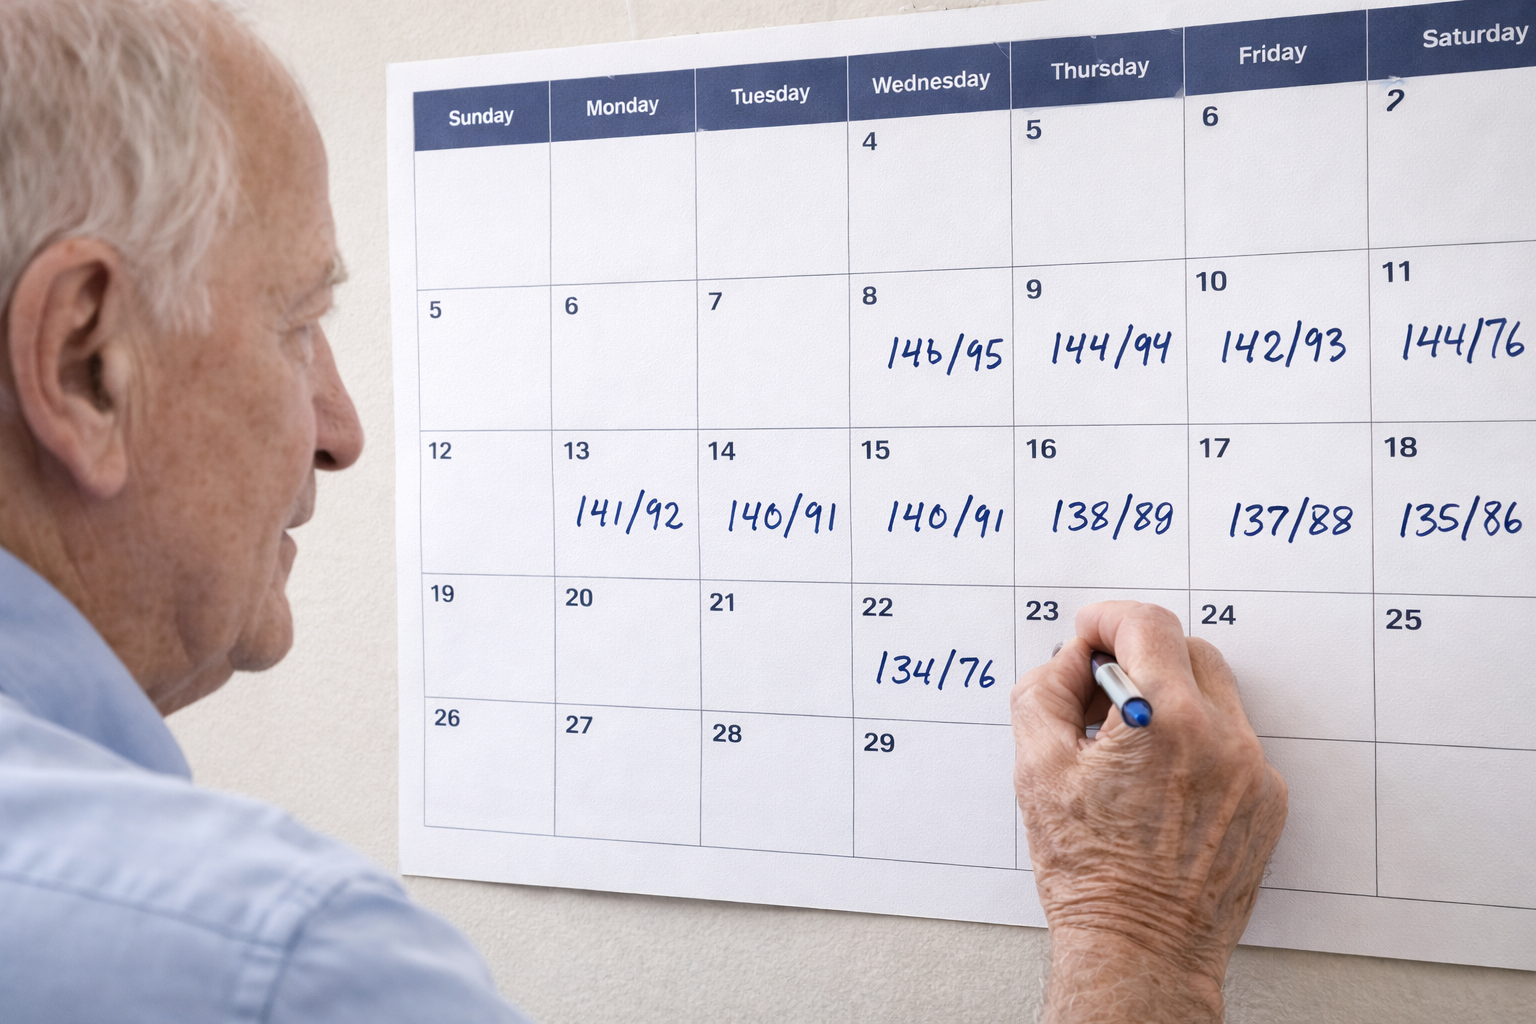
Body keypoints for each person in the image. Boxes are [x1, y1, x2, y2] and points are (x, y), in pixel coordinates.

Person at [0, 1, 1287, 1021]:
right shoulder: (284, 965)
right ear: (83, 361)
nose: (341, 430)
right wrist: (1137, 945)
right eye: (298, 324)